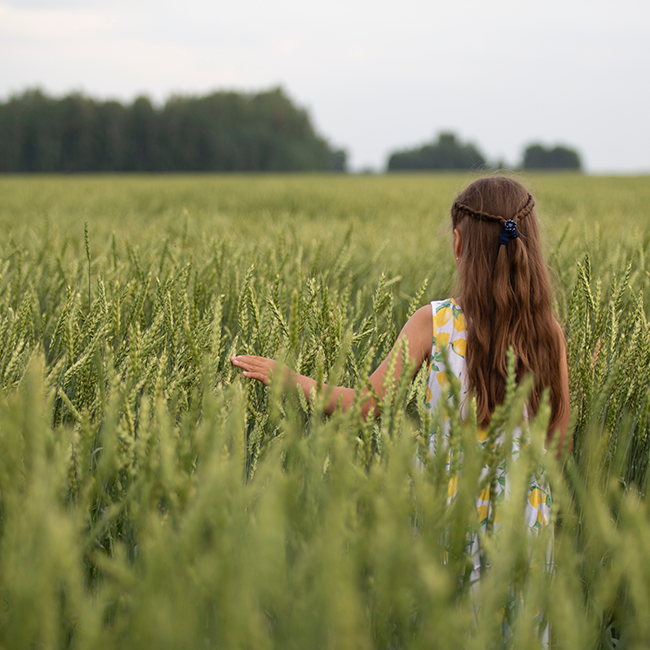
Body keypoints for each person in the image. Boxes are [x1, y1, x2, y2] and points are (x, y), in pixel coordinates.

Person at [230, 176, 570, 451]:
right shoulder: (547, 331)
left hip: (449, 515)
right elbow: (558, 440)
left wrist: (290, 379)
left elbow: (366, 405)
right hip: (526, 520)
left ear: (458, 244)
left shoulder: (434, 323)